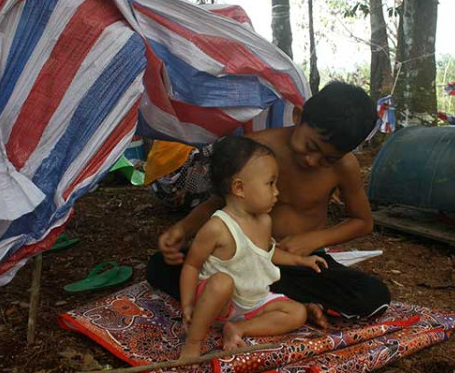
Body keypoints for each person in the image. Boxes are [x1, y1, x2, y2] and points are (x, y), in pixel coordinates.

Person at [147, 81, 391, 326]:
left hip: (301, 263)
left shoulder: (344, 166)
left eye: (329, 158)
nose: (312, 160)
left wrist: (314, 240)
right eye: (311, 146)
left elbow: (363, 221)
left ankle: (258, 303)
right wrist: (184, 228)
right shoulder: (256, 150)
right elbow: (217, 202)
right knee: (162, 265)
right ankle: (281, 305)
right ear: (298, 116)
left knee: (374, 296)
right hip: (244, 259)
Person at [179, 136, 327, 360]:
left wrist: (301, 260)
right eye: (270, 183)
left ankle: (239, 329)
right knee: (222, 282)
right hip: (220, 305)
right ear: (239, 188)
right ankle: (193, 342)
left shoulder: (264, 221)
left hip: (253, 303)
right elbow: (191, 265)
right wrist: (188, 305)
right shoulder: (217, 227)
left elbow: (265, 253)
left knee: (297, 313)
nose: (277, 191)